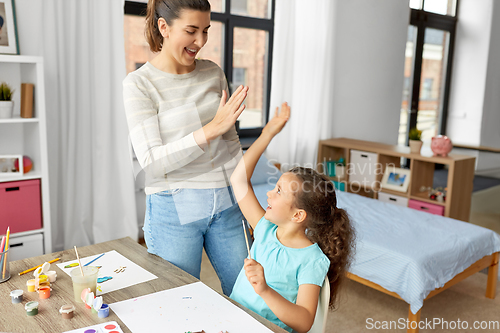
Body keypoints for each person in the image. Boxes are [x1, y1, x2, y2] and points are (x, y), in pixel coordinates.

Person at [122, 0, 250, 296]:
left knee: (248, 295)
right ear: (163, 27)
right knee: (181, 299)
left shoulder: (213, 73)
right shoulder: (139, 84)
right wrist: (210, 130)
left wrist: (250, 204)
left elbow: (231, 146)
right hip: (171, 207)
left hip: (228, 203)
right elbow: (152, 163)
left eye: (206, 30)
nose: (201, 41)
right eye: (191, 30)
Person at [229, 103, 355, 333]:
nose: (268, 193)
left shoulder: (312, 260)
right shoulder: (265, 229)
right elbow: (238, 180)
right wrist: (268, 133)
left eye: (278, 191)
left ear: (298, 215)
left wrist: (265, 290)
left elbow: (304, 321)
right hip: (234, 318)